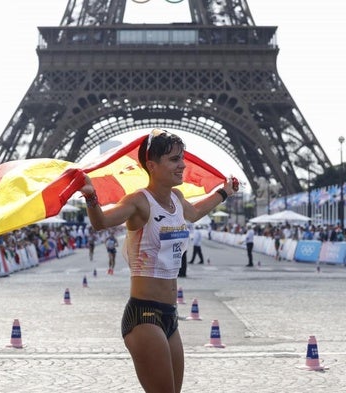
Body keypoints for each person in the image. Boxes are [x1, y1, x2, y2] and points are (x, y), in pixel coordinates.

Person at [79, 129, 237, 392]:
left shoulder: (177, 198)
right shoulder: (139, 202)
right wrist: (91, 196)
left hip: (169, 314)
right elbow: (101, 222)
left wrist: (224, 192)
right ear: (152, 165)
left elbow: (196, 212)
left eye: (182, 158)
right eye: (174, 160)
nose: (183, 165)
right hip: (144, 315)